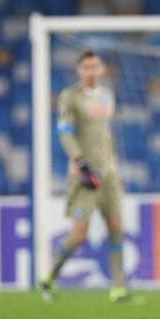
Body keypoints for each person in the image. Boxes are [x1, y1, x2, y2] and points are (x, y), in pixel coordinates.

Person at [39, 51, 128, 303]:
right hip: (86, 175)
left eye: (95, 66)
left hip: (108, 174)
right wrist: (79, 161)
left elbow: (104, 134)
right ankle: (49, 277)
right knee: (79, 235)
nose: (91, 71)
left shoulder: (107, 95)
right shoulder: (70, 97)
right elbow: (65, 133)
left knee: (116, 228)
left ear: (101, 69)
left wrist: (112, 164)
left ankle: (118, 288)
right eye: (86, 67)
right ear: (79, 70)